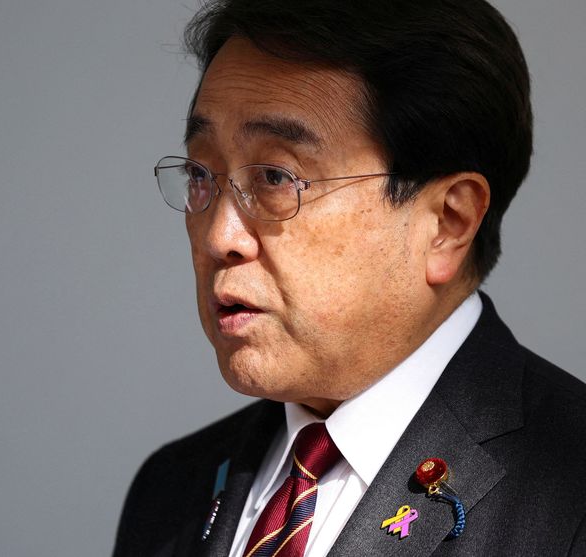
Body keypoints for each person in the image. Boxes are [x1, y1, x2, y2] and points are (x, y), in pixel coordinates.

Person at [113, 0, 586, 555]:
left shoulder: (568, 490)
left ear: (447, 223)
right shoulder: (172, 488)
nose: (220, 236)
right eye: (200, 173)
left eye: (275, 176)